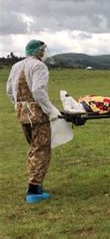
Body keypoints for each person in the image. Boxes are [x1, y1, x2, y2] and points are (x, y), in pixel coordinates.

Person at [6, 39, 60, 203]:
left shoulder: (16, 66)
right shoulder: (39, 66)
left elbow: (9, 90)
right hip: (37, 114)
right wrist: (51, 110)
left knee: (34, 148)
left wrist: (20, 105)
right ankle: (34, 190)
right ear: (37, 51)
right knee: (41, 149)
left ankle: (33, 183)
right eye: (42, 50)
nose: (43, 53)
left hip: (22, 113)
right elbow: (38, 90)